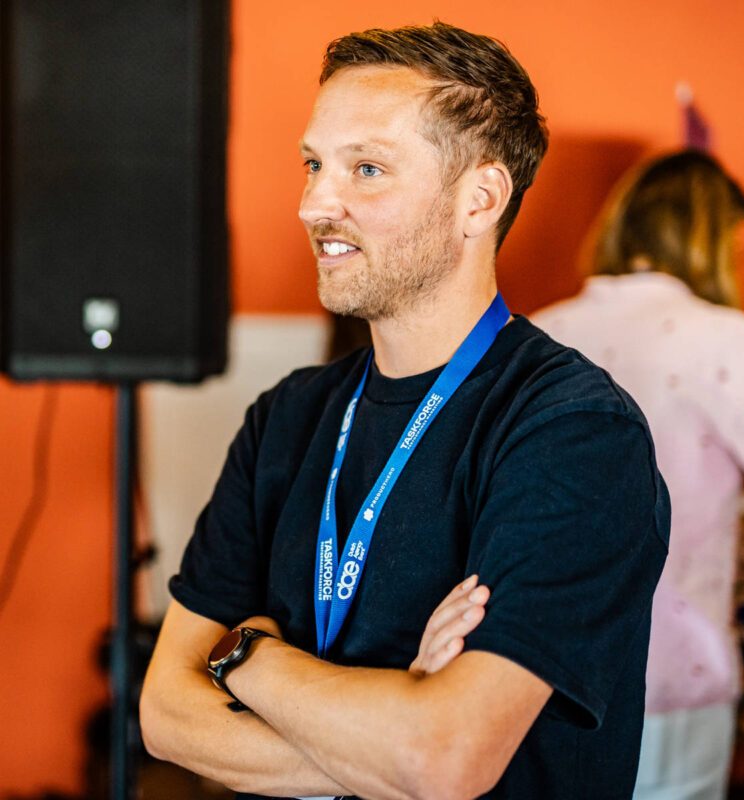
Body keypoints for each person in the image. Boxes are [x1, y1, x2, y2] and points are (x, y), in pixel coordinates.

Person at [140, 22, 669, 800]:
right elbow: (164, 715)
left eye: (367, 169)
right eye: (314, 164)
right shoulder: (285, 416)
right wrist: (390, 738)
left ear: (480, 200)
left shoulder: (574, 431)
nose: (315, 204)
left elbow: (445, 759)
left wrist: (247, 657)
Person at [530, 150, 744, 799]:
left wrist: (743, 519)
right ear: (708, 241)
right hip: (666, 673)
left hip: (531, 675)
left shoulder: (537, 335)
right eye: (735, 248)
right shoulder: (723, 340)